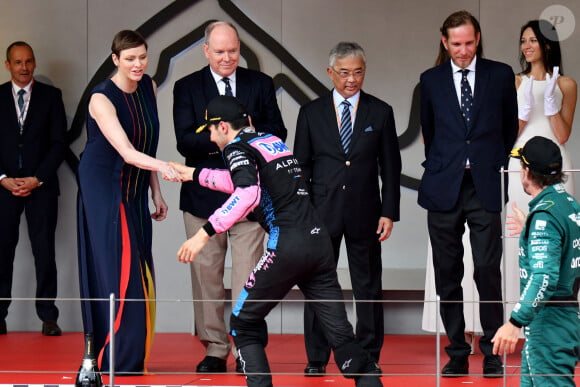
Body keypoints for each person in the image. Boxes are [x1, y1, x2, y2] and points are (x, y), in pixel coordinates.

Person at [170, 95, 383, 387]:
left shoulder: (236, 147)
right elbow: (249, 180)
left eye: (209, 131)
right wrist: (194, 174)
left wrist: (203, 234)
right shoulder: (268, 140)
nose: (209, 138)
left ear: (222, 127)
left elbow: (246, 193)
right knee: (341, 334)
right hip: (318, 244)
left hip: (288, 247)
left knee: (243, 323)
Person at [172, 20, 286, 373]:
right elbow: (184, 140)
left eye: (233, 51)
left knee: (248, 278)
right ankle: (215, 348)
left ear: (240, 48)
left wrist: (239, 136)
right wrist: (230, 135)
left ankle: (245, 348)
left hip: (249, 198)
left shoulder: (260, 83)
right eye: (219, 51)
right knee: (206, 276)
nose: (227, 58)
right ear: (206, 51)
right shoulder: (187, 86)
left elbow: (278, 132)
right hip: (203, 198)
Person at [418, 10, 518, 377]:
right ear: (444, 42)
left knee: (488, 270)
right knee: (448, 271)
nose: (463, 51)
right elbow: (430, 131)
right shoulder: (430, 80)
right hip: (444, 186)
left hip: (485, 185)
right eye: (456, 44)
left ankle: (492, 349)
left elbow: (509, 129)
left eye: (469, 43)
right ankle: (457, 350)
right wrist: (450, 163)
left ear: (478, 39)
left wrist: (486, 162)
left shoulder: (500, 74)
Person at [293, 41, 401, 376]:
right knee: (318, 283)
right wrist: (302, 212)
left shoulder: (380, 112)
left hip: (366, 212)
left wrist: (389, 212)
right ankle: (316, 357)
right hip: (321, 213)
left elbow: (391, 167)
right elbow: (302, 167)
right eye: (344, 73)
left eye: (358, 72)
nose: (351, 79)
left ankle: (368, 353)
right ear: (330, 73)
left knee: (368, 285)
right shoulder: (310, 113)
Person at [76, 30, 178, 374]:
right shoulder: (101, 98)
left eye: (142, 57)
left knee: (141, 262)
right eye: (130, 58)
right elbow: (126, 151)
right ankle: (112, 357)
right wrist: (163, 168)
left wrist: (156, 190)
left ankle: (129, 358)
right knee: (122, 270)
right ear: (115, 59)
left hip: (135, 183)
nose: (138, 64)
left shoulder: (148, 86)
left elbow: (146, 144)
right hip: (104, 185)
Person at [493, 136, 580, 387]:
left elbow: (544, 277)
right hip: (559, 319)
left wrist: (514, 322)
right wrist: (529, 231)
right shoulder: (568, 204)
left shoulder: (545, 217)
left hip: (549, 323)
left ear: (527, 171)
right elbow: (562, 251)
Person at [504, 19, 577, 311]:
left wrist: (550, 106)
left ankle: (559, 312)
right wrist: (524, 111)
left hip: (557, 162)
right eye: (523, 41)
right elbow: (509, 132)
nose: (527, 46)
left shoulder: (566, 84)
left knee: (558, 229)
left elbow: (563, 134)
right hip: (520, 161)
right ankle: (518, 313)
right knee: (519, 231)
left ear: (547, 44)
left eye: (532, 40)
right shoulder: (515, 81)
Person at [0, 41, 67, 336]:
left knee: (44, 252)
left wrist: (37, 178)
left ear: (35, 63)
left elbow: (59, 143)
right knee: (2, 252)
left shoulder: (52, 97)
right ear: (7, 65)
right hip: (3, 188)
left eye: (28, 61)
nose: (24, 67)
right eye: (18, 62)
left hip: (41, 187)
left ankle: (48, 316)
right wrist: (2, 177)